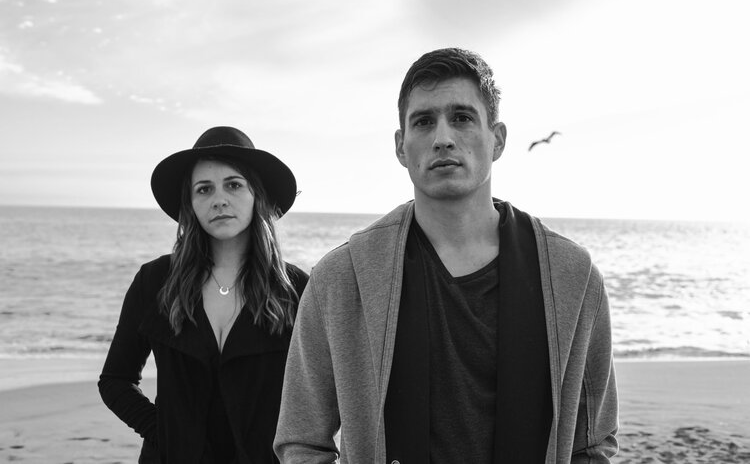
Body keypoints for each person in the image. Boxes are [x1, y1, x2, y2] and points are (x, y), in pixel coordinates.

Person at [274, 48, 618, 463]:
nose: (442, 138)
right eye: (423, 121)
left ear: (499, 139)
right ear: (401, 146)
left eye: (462, 117)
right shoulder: (342, 277)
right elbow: (302, 440)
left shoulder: (571, 276)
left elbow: (592, 443)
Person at [99, 126, 308, 463]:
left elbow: (321, 392)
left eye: (234, 185)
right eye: (204, 189)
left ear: (257, 194)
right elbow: (115, 381)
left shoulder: (295, 287)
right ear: (191, 203)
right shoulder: (154, 281)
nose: (219, 199)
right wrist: (165, 434)